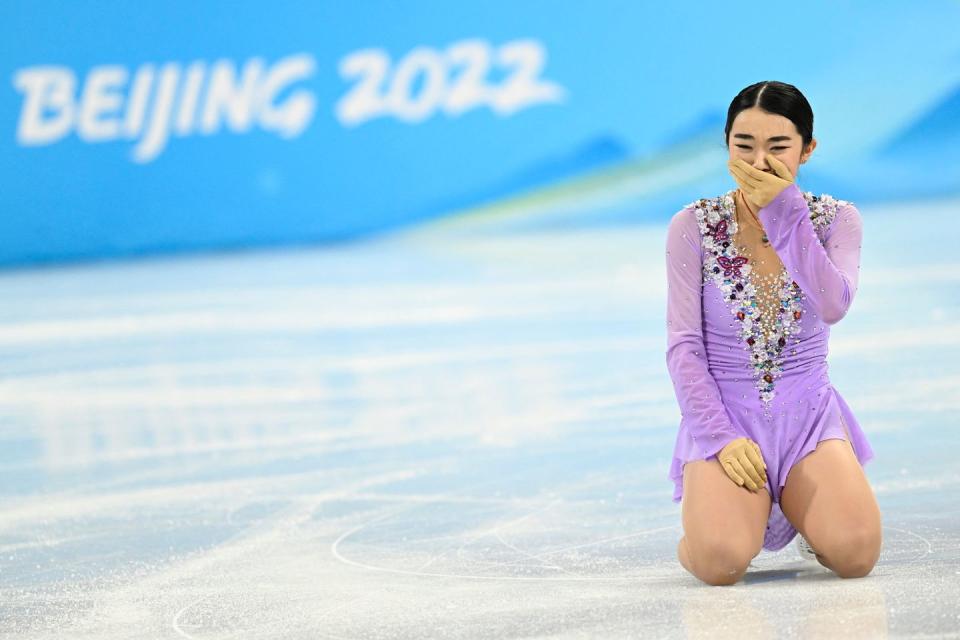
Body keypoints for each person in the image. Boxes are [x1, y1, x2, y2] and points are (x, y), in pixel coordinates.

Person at [664, 80, 882, 586]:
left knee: (855, 555)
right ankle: (705, 529)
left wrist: (784, 212)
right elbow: (683, 347)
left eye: (778, 147)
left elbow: (833, 304)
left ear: (808, 149)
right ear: (726, 146)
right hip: (728, 418)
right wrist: (719, 437)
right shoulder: (692, 226)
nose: (759, 162)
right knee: (720, 564)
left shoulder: (836, 220)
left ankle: (810, 515)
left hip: (808, 419)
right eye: (744, 146)